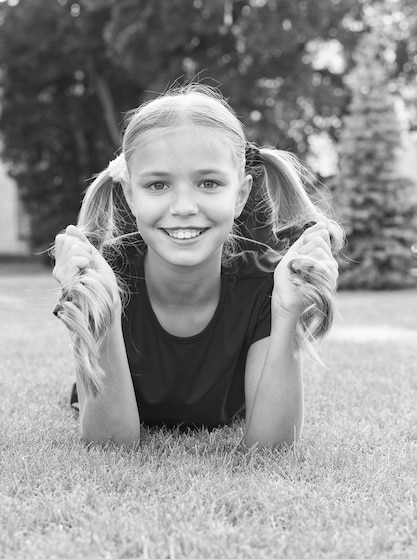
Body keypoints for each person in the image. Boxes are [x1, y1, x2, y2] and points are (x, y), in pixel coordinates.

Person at [52, 84, 343, 449]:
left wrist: (287, 313)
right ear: (130, 195)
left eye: (209, 183)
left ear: (239, 194)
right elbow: (112, 444)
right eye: (158, 185)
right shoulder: (106, 277)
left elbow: (272, 450)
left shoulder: (266, 285)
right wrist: (103, 308)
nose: (184, 206)